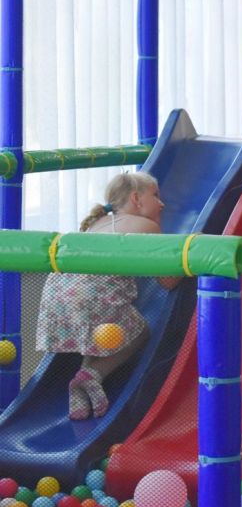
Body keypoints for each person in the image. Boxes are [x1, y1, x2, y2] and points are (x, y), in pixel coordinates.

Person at [36, 172, 178, 421]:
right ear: (136, 199)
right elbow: (167, 281)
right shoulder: (146, 226)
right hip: (91, 299)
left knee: (101, 332)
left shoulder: (95, 223)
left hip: (57, 298)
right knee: (140, 331)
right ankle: (93, 374)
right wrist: (189, 256)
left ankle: (79, 391)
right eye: (155, 195)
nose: (162, 203)